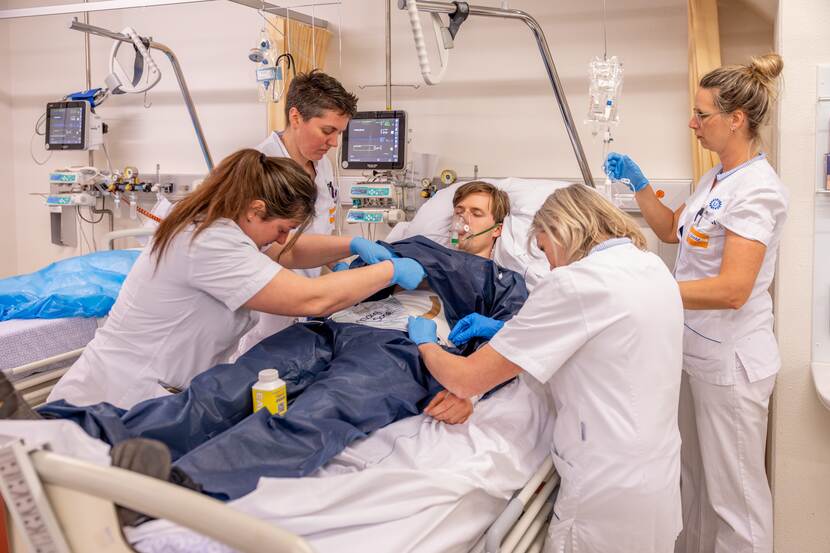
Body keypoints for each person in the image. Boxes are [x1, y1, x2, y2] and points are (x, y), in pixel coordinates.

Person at [7, 182, 522, 503]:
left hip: (403, 348)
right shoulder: (410, 246)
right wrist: (367, 264)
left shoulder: (501, 278)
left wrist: (469, 383)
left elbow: (519, 338)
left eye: (476, 214)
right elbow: (325, 285)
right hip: (330, 326)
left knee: (323, 410)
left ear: (500, 228)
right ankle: (63, 429)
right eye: (458, 209)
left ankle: (179, 489)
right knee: (222, 390)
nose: (461, 222)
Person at [407, 184, 684, 553]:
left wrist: (424, 341)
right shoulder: (649, 265)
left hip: (604, 489)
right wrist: (506, 331)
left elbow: (467, 377)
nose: (549, 262)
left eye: (544, 248)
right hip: (656, 474)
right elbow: (597, 337)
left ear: (562, 231)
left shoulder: (573, 283)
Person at [48, 149, 425, 410]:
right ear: (255, 209)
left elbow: (288, 252)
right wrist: (389, 271)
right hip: (120, 394)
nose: (282, 238)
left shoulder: (221, 222)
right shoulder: (209, 242)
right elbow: (310, 299)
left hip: (152, 387)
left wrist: (352, 244)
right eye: (282, 227)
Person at [604, 53, 787, 553]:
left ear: (736, 119)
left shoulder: (757, 191)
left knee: (737, 498)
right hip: (694, 352)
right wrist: (639, 186)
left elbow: (732, 290)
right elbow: (670, 230)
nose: (693, 123)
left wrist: (647, 289)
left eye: (702, 114)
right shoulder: (715, 179)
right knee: (695, 482)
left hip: (731, 363)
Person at [237, 70, 359, 354]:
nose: (334, 143)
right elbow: (277, 249)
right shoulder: (260, 169)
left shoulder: (323, 165)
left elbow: (319, 232)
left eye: (339, 133)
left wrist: (336, 267)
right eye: (327, 131)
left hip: (311, 308)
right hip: (268, 317)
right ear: (295, 117)